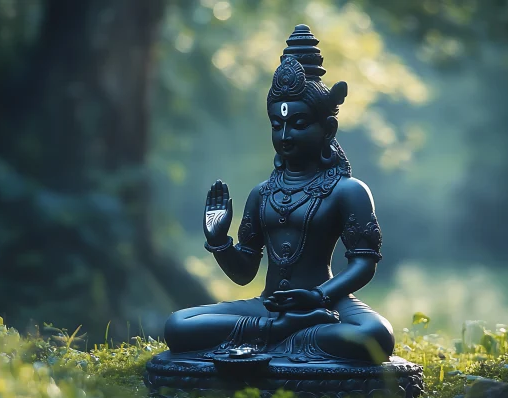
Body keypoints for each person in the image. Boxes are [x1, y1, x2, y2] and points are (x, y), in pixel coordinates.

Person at [164, 24, 394, 364]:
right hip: (270, 305)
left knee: (373, 336)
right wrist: (218, 240)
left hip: (325, 303)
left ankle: (273, 334)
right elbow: (244, 273)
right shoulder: (262, 193)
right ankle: (286, 330)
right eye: (277, 124)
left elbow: (363, 264)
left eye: (299, 123)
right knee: (179, 324)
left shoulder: (347, 190)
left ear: (327, 129)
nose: (285, 134)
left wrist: (317, 297)